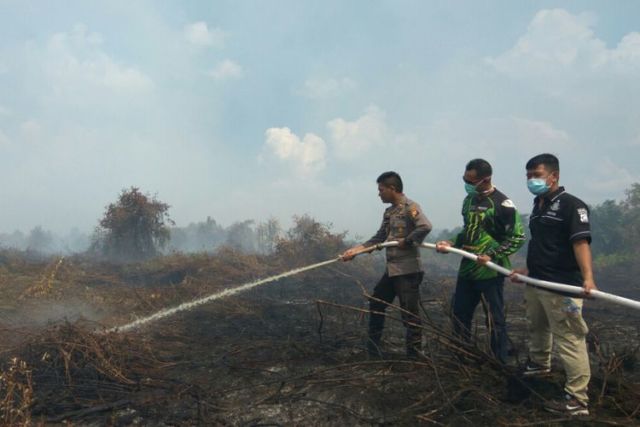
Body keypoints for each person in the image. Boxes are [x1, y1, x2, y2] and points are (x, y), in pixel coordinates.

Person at [511, 153, 596, 416]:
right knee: (537, 325)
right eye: (528, 176)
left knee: (570, 339)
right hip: (537, 281)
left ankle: (577, 400)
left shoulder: (573, 206)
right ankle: (539, 363)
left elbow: (580, 243)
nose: (531, 180)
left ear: (553, 176)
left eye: (536, 175)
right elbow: (542, 244)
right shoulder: (538, 205)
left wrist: (588, 278)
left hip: (561, 286)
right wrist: (527, 269)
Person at [436, 159, 525, 364]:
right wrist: (451, 243)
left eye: (471, 181)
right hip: (468, 268)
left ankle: (499, 362)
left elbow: (517, 237)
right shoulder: (469, 200)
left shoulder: (503, 204)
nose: (467, 184)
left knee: (494, 319)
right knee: (460, 314)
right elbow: (469, 231)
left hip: (490, 271)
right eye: (465, 180)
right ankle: (461, 358)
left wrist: (492, 255)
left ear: (486, 179)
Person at [341, 171, 432, 358]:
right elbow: (379, 238)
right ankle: (373, 351)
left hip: (407, 272)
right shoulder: (389, 212)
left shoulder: (411, 208)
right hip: (392, 271)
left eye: (381, 190)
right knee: (376, 303)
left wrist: (407, 241)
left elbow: (425, 226)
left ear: (392, 188)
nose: (379, 194)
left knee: (409, 314)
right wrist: (355, 251)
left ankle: (414, 357)